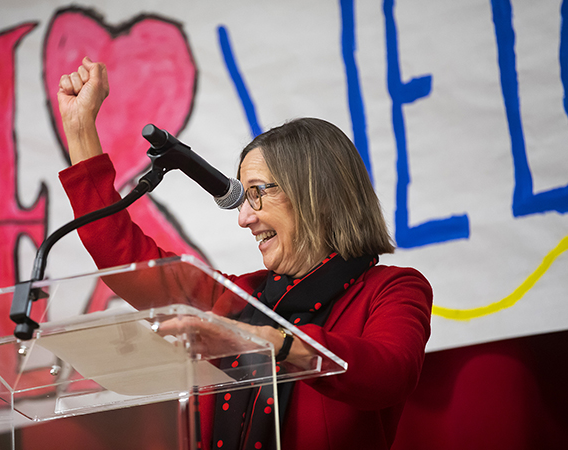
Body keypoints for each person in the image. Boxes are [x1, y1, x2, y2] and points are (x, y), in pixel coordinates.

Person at [57, 57, 432, 450]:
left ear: (314, 192)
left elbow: (389, 374)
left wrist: (260, 342)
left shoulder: (392, 289)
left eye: (256, 193)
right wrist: (80, 128)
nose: (245, 218)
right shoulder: (236, 300)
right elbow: (122, 257)